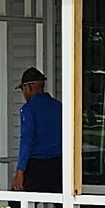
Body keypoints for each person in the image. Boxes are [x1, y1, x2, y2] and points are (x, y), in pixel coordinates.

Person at [12, 66, 62, 194]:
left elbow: (26, 141)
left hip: (37, 165)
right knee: (62, 206)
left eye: (23, 89)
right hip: (59, 164)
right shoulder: (59, 107)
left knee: (18, 206)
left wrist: (20, 170)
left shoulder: (28, 109)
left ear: (28, 87)